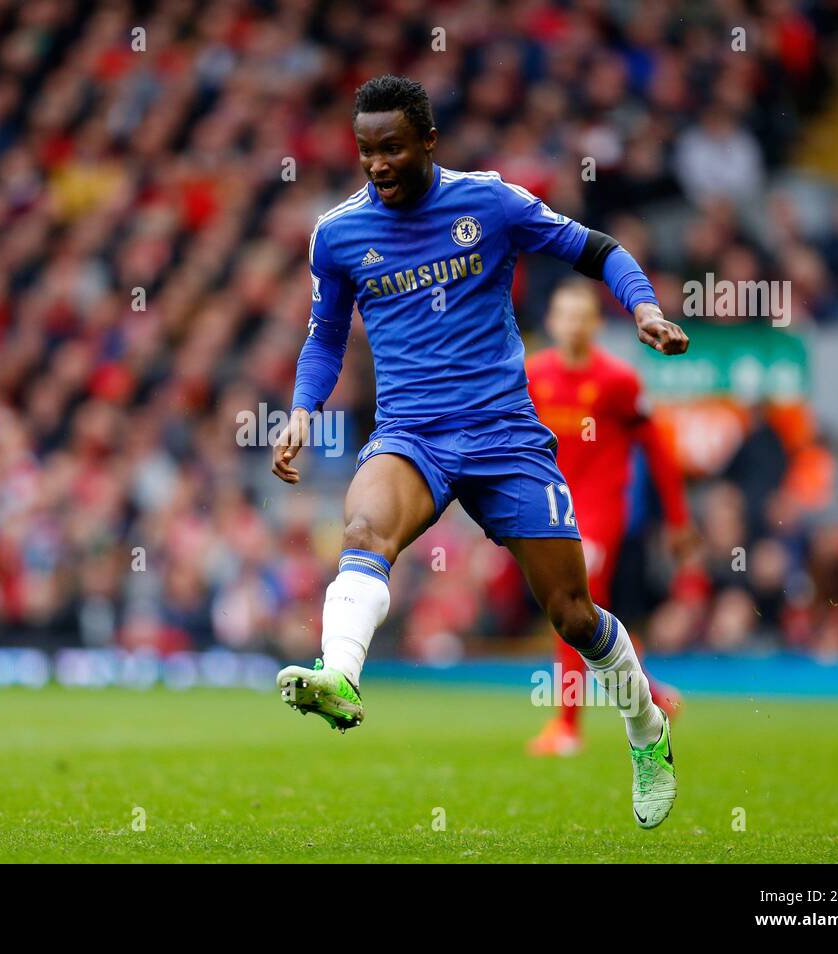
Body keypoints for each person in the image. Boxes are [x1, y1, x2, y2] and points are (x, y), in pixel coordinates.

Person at [270, 75, 690, 829]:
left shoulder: (490, 203)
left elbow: (596, 250)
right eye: (365, 151)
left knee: (572, 613)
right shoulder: (338, 234)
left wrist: (646, 307)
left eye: (392, 147)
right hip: (411, 433)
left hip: (504, 435)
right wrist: (303, 410)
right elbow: (325, 335)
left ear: (429, 140)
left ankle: (645, 731)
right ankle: (339, 676)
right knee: (363, 532)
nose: (377, 164)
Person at [525, 280, 693, 757]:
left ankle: (567, 726)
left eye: (583, 315)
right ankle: (654, 694)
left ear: (596, 324)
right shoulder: (532, 375)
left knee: (570, 606)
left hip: (600, 512)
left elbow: (656, 449)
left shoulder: (618, 380)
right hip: (552, 510)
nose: (574, 324)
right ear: (553, 322)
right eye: (565, 314)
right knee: (589, 613)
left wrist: (678, 519)